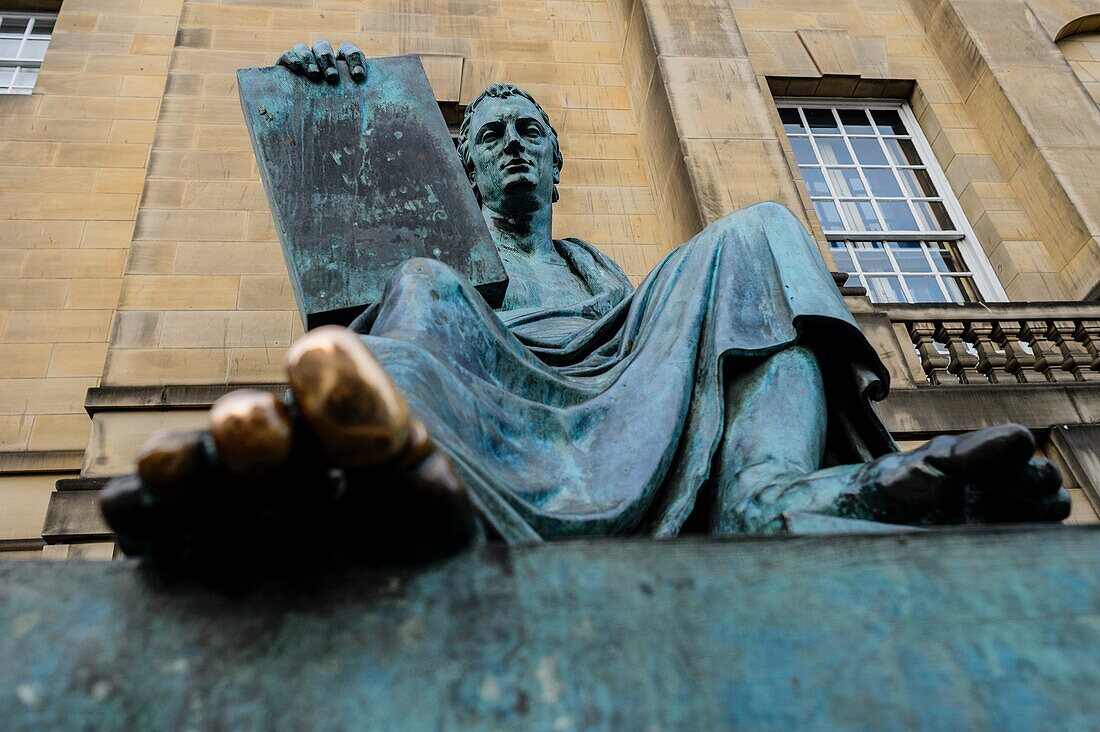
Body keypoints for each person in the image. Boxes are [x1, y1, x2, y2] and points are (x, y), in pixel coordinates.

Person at [100, 41, 1069, 565]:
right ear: (464, 163)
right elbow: (375, 276)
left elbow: (675, 341)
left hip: (625, 381)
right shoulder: (448, 271)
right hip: (486, 391)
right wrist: (326, 94)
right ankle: (374, 473)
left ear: (557, 160)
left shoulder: (603, 275)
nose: (514, 142)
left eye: (531, 131)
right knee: (413, 298)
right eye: (489, 134)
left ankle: (768, 497)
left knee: (757, 232)